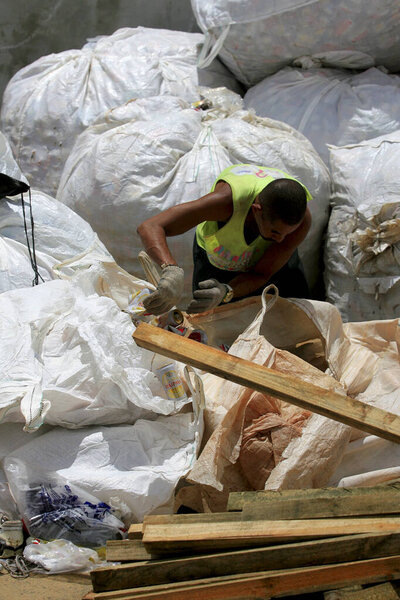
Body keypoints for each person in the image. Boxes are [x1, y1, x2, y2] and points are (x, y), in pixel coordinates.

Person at [137, 163, 312, 315]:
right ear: (256, 210)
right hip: (218, 259)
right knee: (209, 317)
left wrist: (227, 291)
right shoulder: (226, 202)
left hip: (268, 264)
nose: (280, 240)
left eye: (287, 233)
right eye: (275, 232)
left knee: (291, 316)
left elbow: (262, 273)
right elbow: (151, 226)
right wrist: (171, 270)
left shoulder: (300, 220)